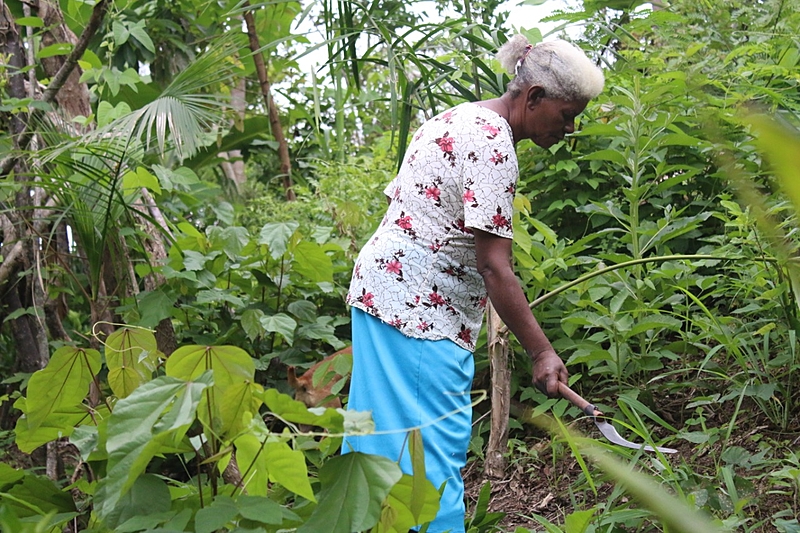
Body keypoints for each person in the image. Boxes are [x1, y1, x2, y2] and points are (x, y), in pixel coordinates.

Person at [343, 35, 605, 533]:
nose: (569, 129)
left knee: (374, 441)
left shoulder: (456, 118)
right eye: (567, 114)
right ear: (532, 98)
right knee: (431, 457)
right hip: (420, 315)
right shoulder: (491, 144)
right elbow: (494, 267)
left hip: (380, 297)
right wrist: (542, 352)